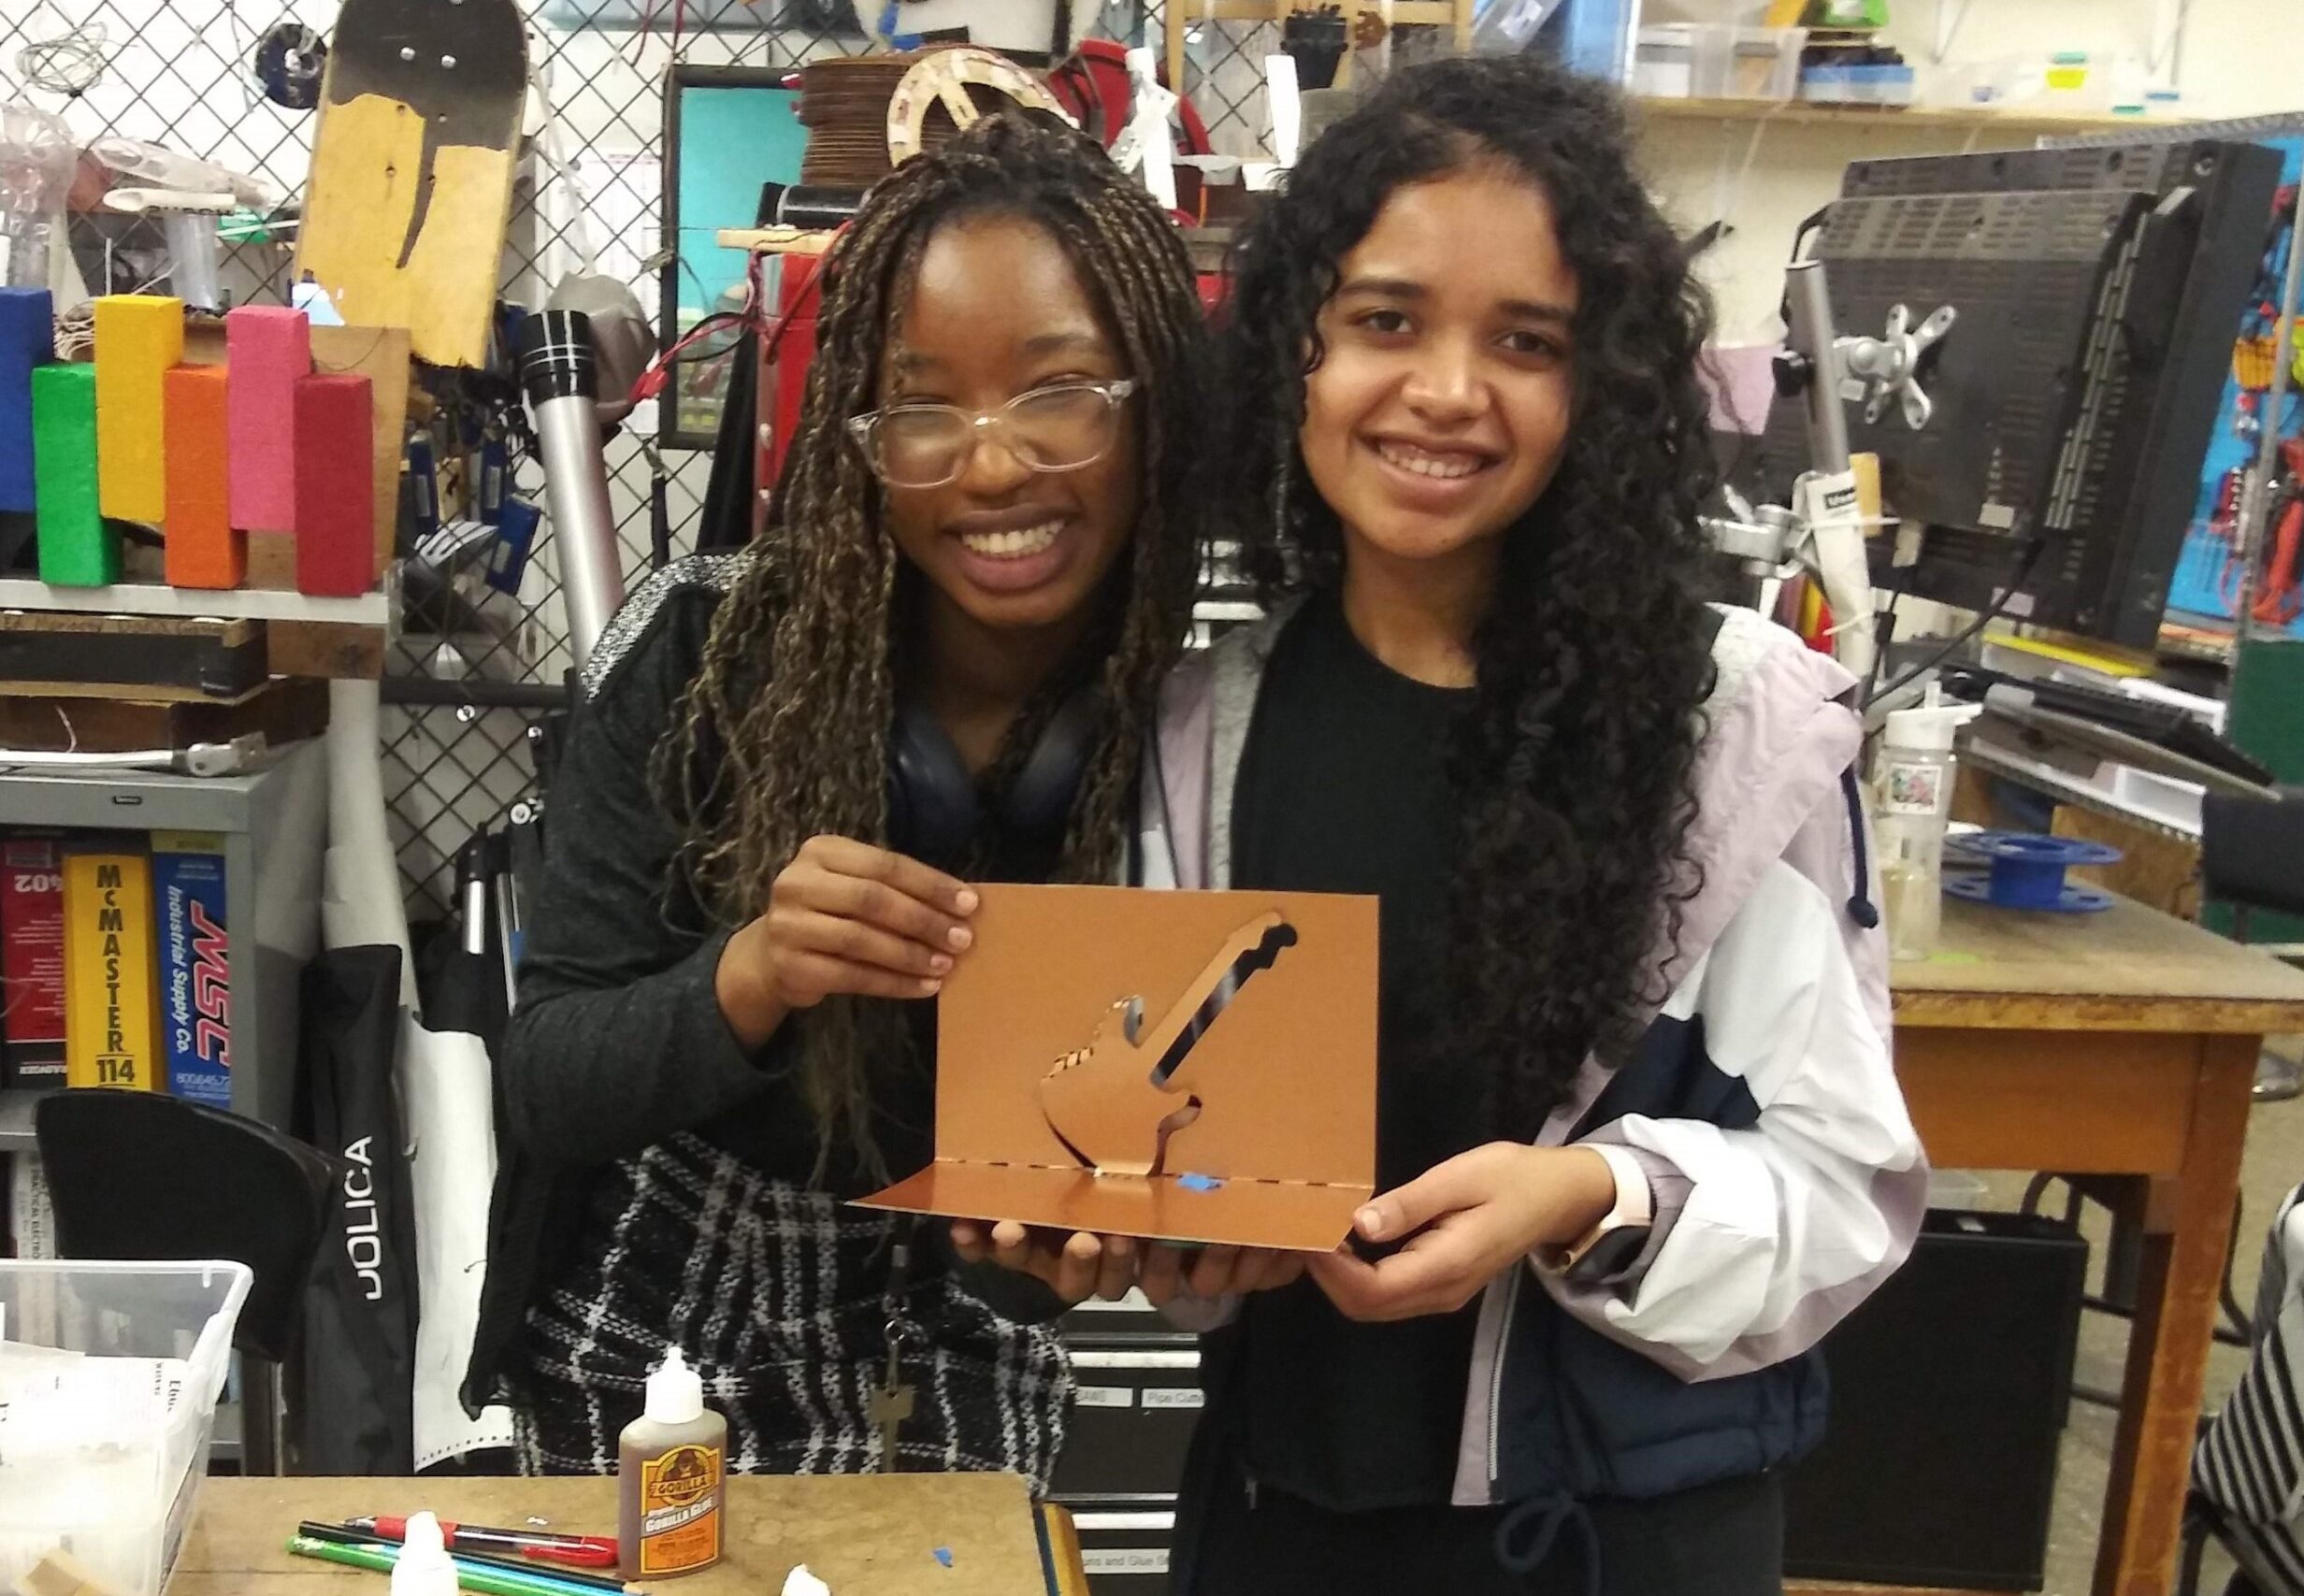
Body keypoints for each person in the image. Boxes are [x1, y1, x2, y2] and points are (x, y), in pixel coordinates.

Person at [962, 54, 1926, 1594]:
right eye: (1387, 321)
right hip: (1282, 1522)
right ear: (1299, 350)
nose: (1446, 391)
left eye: (1525, 341)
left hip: (1620, 1542)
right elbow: (1180, 1148)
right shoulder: (1203, 726)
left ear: (1595, 383)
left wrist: (1590, 1198)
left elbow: (1843, 1189)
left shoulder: (1734, 727)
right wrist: (1114, 1231)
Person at [462, 110, 1207, 1481]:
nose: (990, 465)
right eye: (925, 407)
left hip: (949, 1325)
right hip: (659, 1316)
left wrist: (1065, 1248)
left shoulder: (1204, 730)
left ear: (1153, 400)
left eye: (1058, 394)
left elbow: (1102, 1229)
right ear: (864, 433)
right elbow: (545, 1082)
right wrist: (746, 976)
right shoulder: (707, 657)